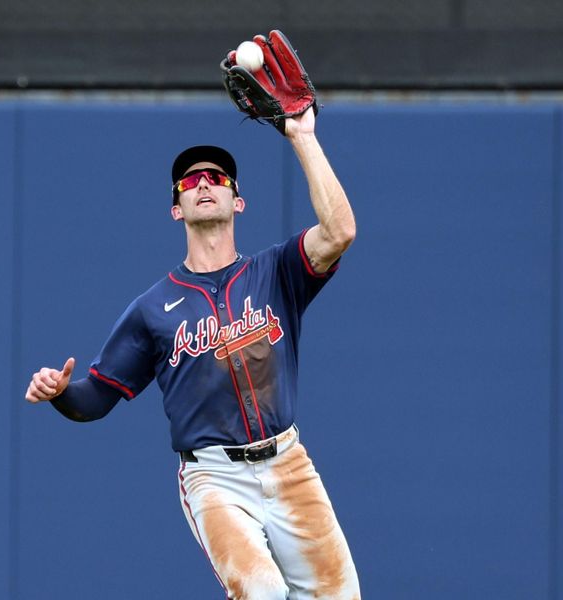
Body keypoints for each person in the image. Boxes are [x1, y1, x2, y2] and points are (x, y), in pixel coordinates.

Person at [25, 106, 361, 599]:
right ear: (176, 209)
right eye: (189, 182)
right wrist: (60, 393)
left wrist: (303, 136)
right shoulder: (153, 308)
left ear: (237, 201)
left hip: (289, 464)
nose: (202, 183)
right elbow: (96, 398)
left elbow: (340, 232)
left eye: (215, 177)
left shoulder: (276, 272)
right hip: (215, 476)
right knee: (263, 592)